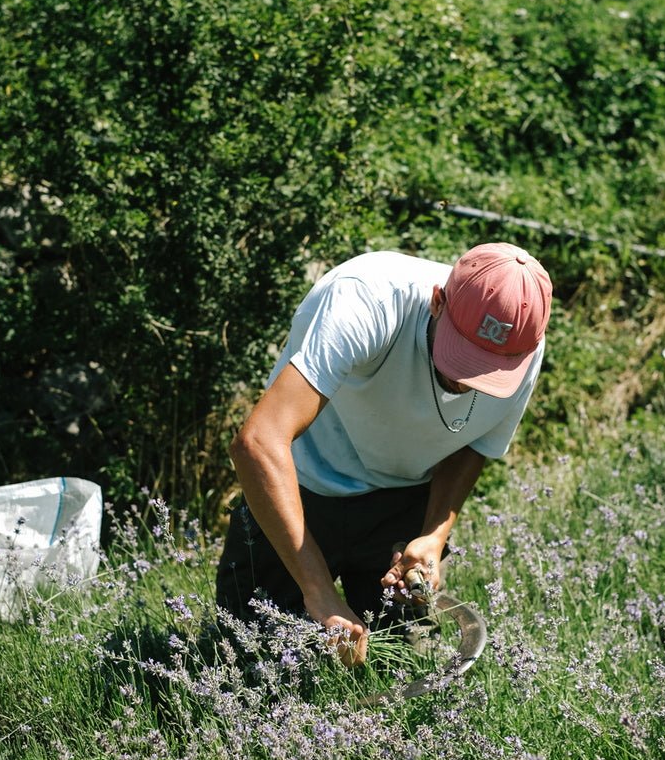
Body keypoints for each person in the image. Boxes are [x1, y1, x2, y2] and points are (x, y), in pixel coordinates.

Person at [216, 242, 552, 664]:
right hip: (297, 488)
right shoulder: (365, 300)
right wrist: (319, 592)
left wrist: (433, 535)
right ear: (437, 302)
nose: (470, 383)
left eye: (489, 370)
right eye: (461, 358)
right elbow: (257, 443)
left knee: (412, 671)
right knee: (247, 662)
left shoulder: (522, 343)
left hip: (401, 500)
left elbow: (474, 443)